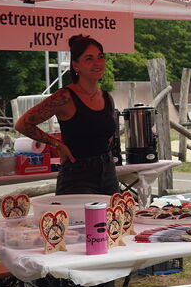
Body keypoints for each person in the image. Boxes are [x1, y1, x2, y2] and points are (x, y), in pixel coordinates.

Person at [15, 35, 118, 196]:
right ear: (76, 65)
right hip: (78, 174)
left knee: (114, 219)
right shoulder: (65, 97)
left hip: (109, 171)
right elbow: (23, 124)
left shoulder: (106, 97)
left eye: (101, 56)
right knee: (79, 221)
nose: (97, 62)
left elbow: (108, 136)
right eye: (89, 58)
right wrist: (57, 145)